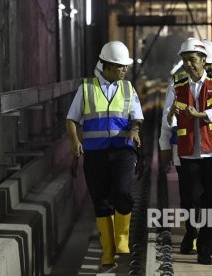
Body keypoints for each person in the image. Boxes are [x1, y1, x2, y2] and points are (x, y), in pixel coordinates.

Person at [65, 40, 144, 272]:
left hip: (122, 152)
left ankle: (121, 241)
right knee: (101, 202)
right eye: (120, 66)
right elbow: (71, 119)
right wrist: (74, 141)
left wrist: (135, 130)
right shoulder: (86, 88)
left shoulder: (128, 88)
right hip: (95, 155)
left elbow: (136, 116)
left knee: (122, 193)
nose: (124, 70)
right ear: (106, 66)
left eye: (125, 67)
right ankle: (108, 254)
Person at [165, 38, 212, 265]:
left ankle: (204, 251)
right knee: (190, 200)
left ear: (204, 61)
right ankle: (192, 230)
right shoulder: (177, 86)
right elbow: (167, 117)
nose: (188, 64)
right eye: (184, 60)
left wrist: (199, 115)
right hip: (187, 153)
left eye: (192, 59)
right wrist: (169, 124)